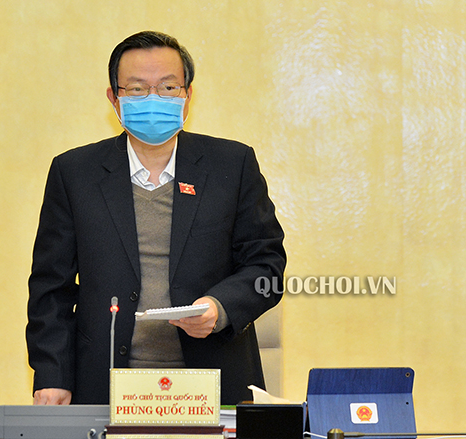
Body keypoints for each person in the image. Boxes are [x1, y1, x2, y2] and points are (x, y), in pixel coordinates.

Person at [26, 30, 286, 406]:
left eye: (168, 87)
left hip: (210, 384)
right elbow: (51, 288)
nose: (153, 99)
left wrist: (220, 308)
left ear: (187, 95)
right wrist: (52, 375)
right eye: (136, 89)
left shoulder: (232, 164)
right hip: (107, 385)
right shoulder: (75, 173)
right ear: (114, 99)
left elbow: (267, 267)